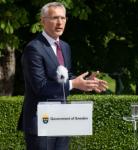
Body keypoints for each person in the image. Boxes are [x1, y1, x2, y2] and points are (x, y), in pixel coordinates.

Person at [17, 2, 108, 150]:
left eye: (63, 18)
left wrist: (85, 83)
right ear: (43, 21)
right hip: (41, 122)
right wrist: (74, 84)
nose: (59, 22)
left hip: (63, 119)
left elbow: (65, 78)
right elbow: (40, 87)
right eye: (54, 18)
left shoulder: (65, 47)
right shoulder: (33, 48)